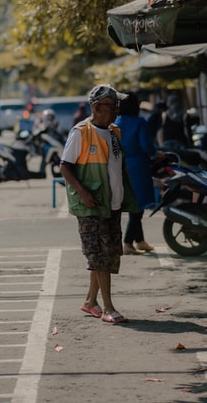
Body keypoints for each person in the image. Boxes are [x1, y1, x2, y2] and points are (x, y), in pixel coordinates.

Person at [60, 83, 138, 324]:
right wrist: (83, 192)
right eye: (111, 106)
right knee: (100, 255)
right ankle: (108, 308)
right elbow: (65, 166)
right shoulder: (80, 132)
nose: (116, 110)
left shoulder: (115, 132)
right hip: (91, 205)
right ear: (95, 107)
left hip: (112, 204)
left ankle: (90, 302)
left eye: (117, 106)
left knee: (109, 254)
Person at [115, 92, 157, 255]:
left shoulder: (116, 123)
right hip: (138, 165)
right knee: (138, 206)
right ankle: (127, 242)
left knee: (133, 203)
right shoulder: (139, 122)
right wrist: (155, 154)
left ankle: (139, 241)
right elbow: (146, 145)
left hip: (122, 165)